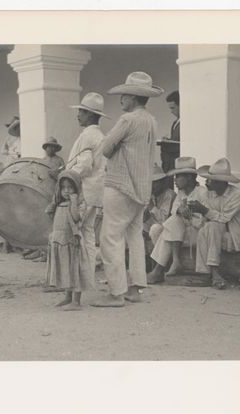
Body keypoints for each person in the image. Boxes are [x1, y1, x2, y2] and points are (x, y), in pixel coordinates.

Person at [92, 71, 163, 307]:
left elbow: (105, 147)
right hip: (141, 187)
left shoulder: (128, 120)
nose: (121, 99)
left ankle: (116, 293)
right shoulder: (151, 121)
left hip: (121, 184)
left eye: (124, 95)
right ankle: (135, 288)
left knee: (110, 236)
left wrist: (116, 149)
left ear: (133, 97)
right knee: (134, 237)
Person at [188, 158, 240, 289]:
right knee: (206, 228)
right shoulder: (209, 195)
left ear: (221, 182)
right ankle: (206, 273)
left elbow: (224, 218)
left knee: (213, 225)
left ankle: (214, 273)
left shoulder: (238, 195)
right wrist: (190, 214)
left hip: (233, 236)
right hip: (215, 236)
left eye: (210, 179)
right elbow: (203, 220)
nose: (206, 182)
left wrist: (203, 210)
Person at [147, 157, 208, 282]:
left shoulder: (202, 193)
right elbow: (174, 211)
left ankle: (160, 269)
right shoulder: (181, 194)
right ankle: (173, 261)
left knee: (172, 223)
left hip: (197, 232)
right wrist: (180, 211)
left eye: (178, 177)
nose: (175, 180)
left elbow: (203, 222)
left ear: (189, 178)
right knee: (157, 228)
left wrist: (188, 215)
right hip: (179, 233)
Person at [45, 170, 96, 311]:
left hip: (72, 242)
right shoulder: (59, 204)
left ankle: (76, 302)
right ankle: (68, 297)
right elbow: (50, 214)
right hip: (60, 241)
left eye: (70, 187)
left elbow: (75, 218)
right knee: (65, 269)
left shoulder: (79, 204)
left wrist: (73, 202)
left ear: (77, 188)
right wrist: (54, 202)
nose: (66, 191)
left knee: (75, 270)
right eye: (63, 188)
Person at [67, 92, 108, 247]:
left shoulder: (88, 135)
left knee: (76, 231)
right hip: (94, 191)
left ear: (91, 114)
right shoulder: (98, 135)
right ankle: (87, 270)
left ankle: (78, 270)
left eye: (82, 111)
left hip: (85, 190)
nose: (78, 115)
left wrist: (66, 176)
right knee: (87, 234)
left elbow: (84, 165)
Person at [158, 90, 180, 184]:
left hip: (177, 163)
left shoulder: (187, 123)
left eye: (173, 108)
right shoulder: (175, 123)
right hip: (170, 163)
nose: (171, 111)